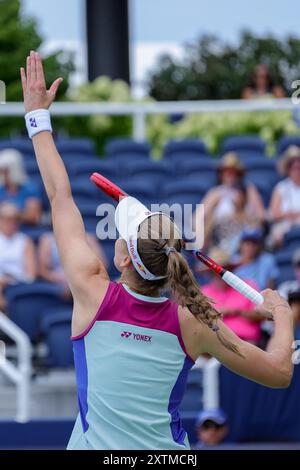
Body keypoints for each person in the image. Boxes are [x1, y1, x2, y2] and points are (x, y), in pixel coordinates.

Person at [21, 51, 294, 451]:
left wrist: (37, 119)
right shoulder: (196, 323)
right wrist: (283, 315)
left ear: (123, 258)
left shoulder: (90, 288)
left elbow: (60, 196)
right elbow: (278, 372)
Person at [195, 153, 265, 247]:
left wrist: (241, 217)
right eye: (226, 171)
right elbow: (197, 217)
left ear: (238, 174)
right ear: (221, 174)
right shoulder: (216, 193)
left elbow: (261, 217)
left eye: (233, 172)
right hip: (221, 238)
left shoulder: (249, 190)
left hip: (247, 237)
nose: (230, 175)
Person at [202, 248, 263, 344]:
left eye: (221, 270)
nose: (217, 275)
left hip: (245, 343)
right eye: (213, 271)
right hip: (213, 344)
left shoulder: (246, 286)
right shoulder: (204, 292)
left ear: (230, 270)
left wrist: (235, 312)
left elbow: (262, 314)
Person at [38, 231, 108, 298]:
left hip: (86, 279)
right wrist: (58, 278)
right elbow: (43, 271)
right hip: (59, 281)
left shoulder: (89, 238)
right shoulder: (47, 239)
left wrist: (83, 277)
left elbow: (102, 265)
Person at [203, 182, 260, 255]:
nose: (235, 197)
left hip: (242, 255)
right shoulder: (221, 216)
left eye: (238, 194)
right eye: (234, 194)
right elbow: (207, 236)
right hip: (220, 252)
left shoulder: (251, 218)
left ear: (244, 197)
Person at [0, 201, 36, 310]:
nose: (11, 222)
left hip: (18, 285)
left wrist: (11, 280)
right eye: (6, 218)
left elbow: (31, 275)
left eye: (15, 218)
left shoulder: (25, 241)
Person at [0, 148, 42, 225]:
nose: (1, 174)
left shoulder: (30, 188)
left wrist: (14, 213)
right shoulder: (1, 188)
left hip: (23, 231)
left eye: (4, 171)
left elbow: (33, 217)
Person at [269, 145, 300, 246]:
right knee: (277, 235)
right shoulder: (281, 187)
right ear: (288, 168)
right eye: (293, 166)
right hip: (285, 223)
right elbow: (273, 214)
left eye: (299, 166)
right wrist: (287, 214)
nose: (296, 169)